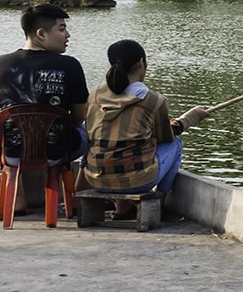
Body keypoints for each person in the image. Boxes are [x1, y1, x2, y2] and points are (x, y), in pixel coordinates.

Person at [0, 3, 90, 213]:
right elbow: (79, 118)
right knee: (95, 126)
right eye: (61, 29)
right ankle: (79, 194)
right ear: (41, 33)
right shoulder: (70, 66)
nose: (67, 35)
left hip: (13, 152)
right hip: (57, 152)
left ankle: (17, 196)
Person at [84, 39, 209, 208]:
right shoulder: (153, 100)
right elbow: (166, 137)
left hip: (95, 180)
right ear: (141, 62)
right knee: (176, 144)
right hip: (138, 182)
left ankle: (122, 210)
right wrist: (191, 118)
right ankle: (161, 202)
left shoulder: (94, 96)